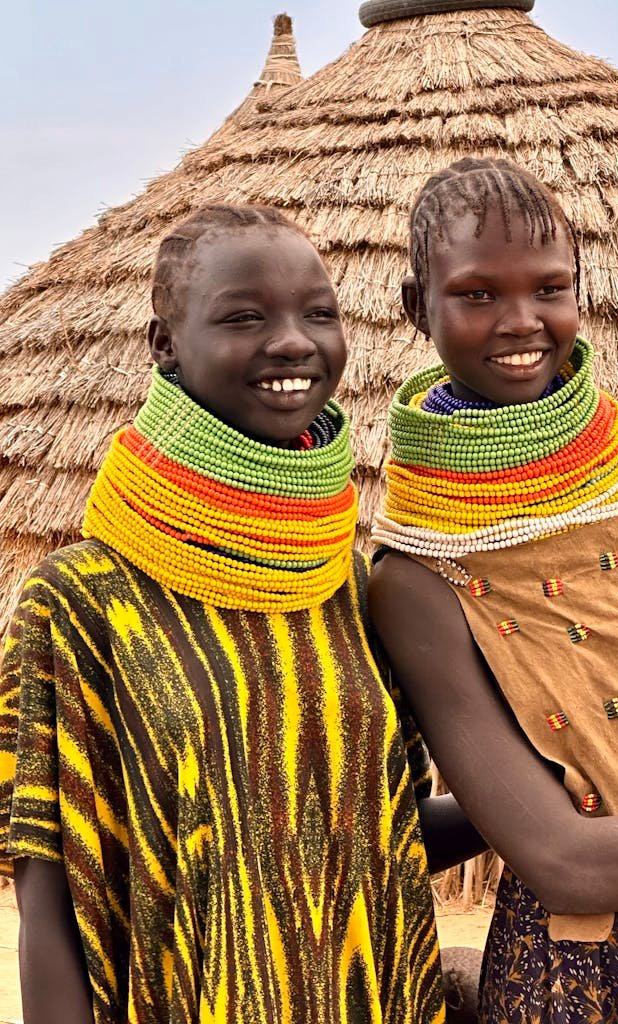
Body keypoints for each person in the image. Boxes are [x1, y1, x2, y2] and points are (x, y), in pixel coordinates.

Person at [0, 204, 459, 1024]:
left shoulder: (355, 588)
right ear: (163, 346)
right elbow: (52, 901)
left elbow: (391, 835)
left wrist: (573, 790)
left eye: (319, 314)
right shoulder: (82, 602)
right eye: (244, 317)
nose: (293, 342)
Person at [369, 158, 618, 1023]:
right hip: (600, 982)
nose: (522, 321)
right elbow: (563, 861)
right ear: (415, 308)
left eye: (551, 288)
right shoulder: (421, 580)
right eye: (478, 295)